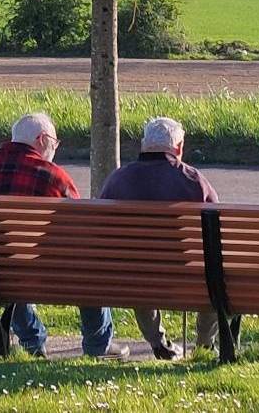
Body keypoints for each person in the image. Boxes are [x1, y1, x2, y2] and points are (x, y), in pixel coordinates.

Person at [0, 112, 128, 359]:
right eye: (55, 143)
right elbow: (82, 232)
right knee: (91, 265)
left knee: (6, 268)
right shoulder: (52, 176)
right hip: (47, 271)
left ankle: (32, 342)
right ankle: (98, 345)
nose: (55, 149)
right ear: (42, 139)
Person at [97, 116, 220, 360]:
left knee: (137, 268)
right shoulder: (194, 181)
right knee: (217, 278)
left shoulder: (118, 179)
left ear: (143, 146)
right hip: (188, 275)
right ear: (179, 147)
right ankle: (205, 345)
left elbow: (103, 228)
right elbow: (218, 229)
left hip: (132, 275)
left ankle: (158, 342)